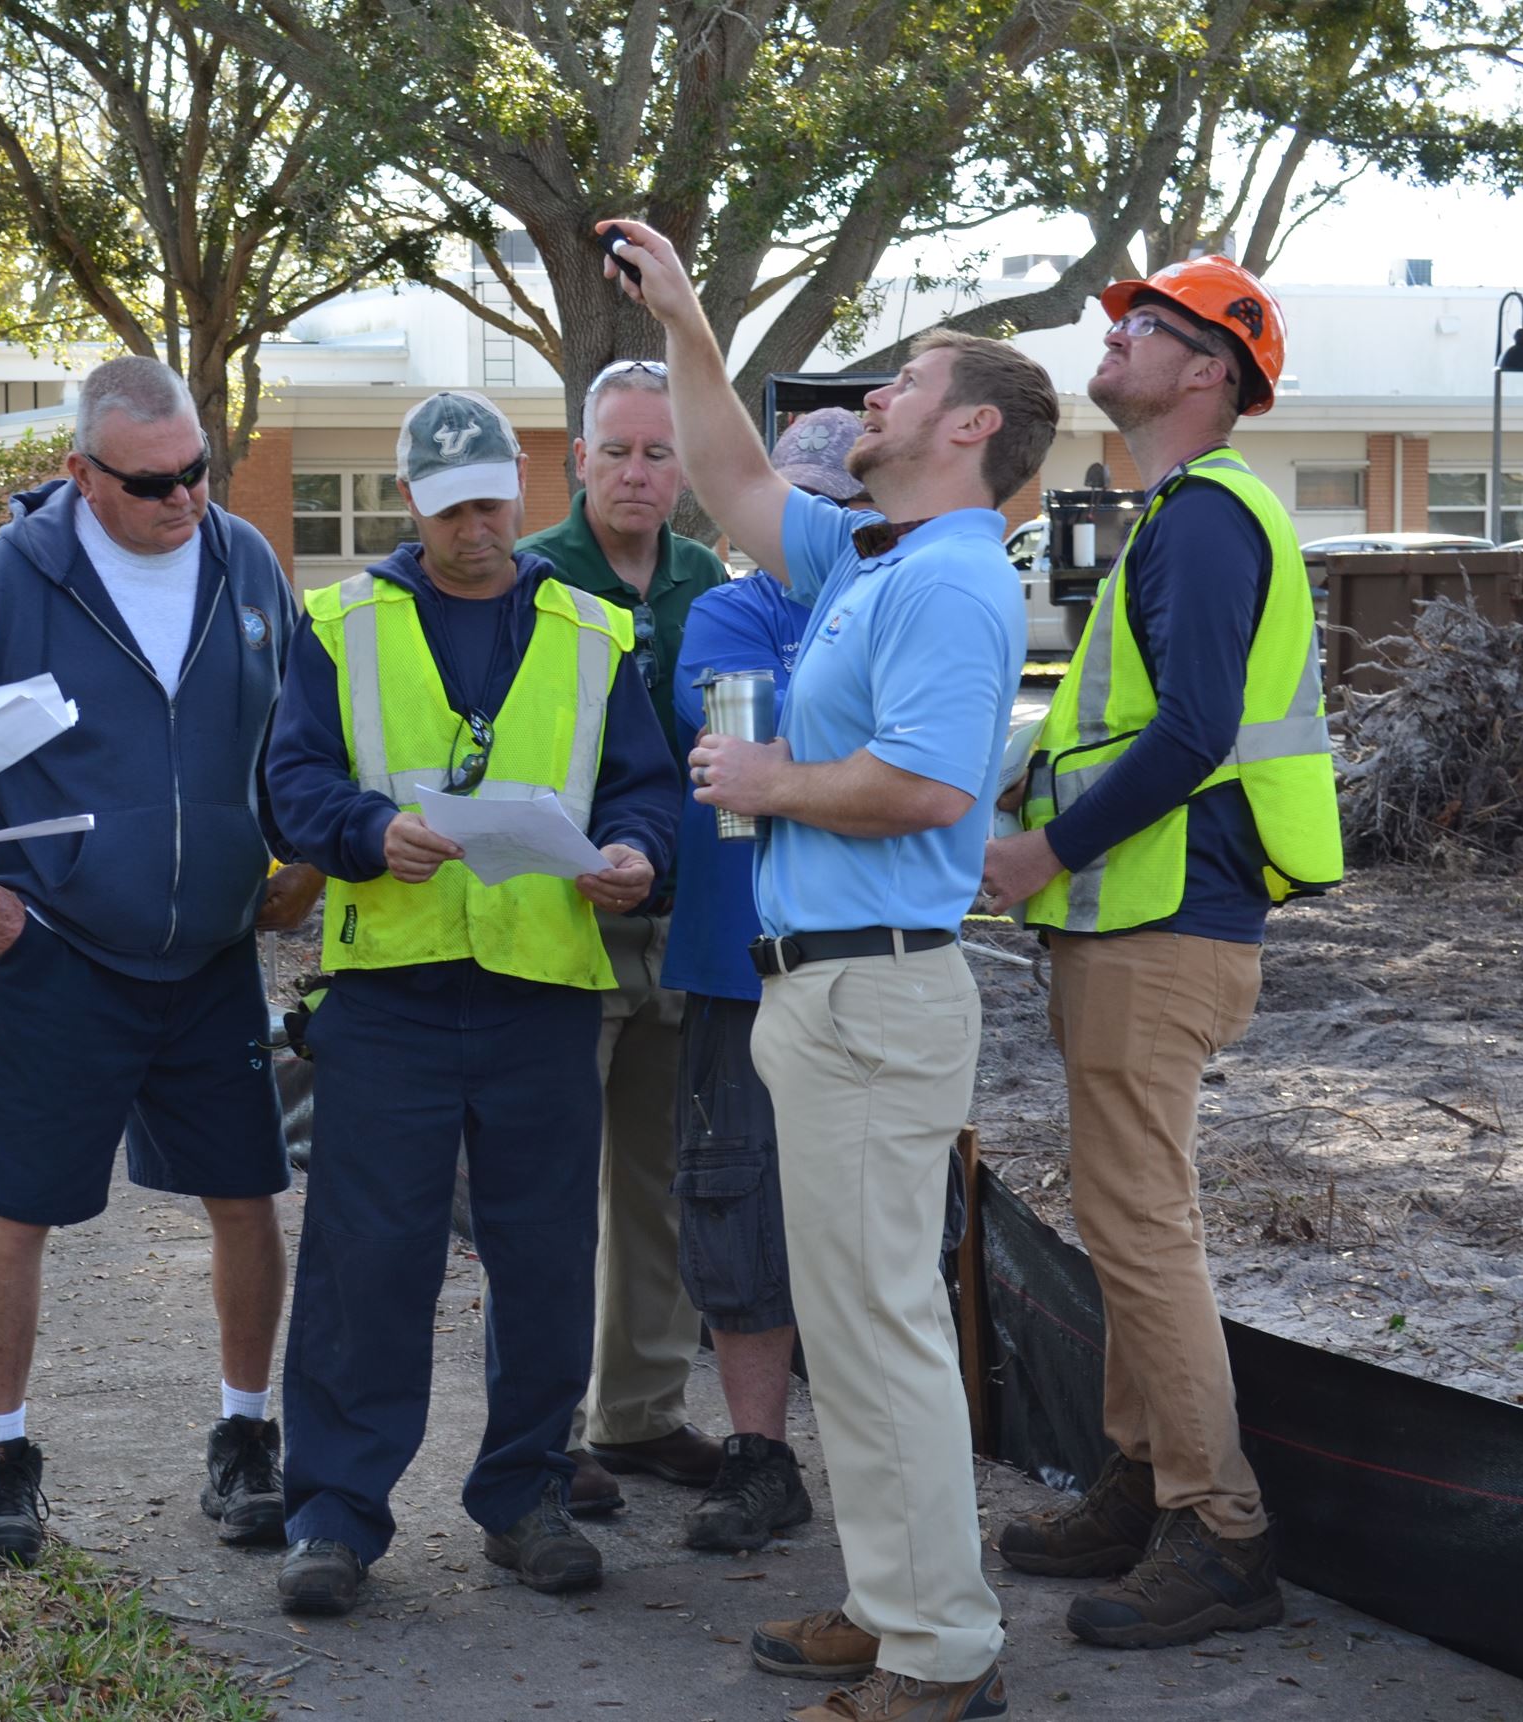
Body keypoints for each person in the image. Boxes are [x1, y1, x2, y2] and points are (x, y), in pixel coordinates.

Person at [607, 216, 1053, 1722]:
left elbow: (931, 790)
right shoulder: (874, 550)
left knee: (876, 1329)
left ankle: (939, 1656)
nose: (876, 395)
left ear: (971, 425)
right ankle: (894, 1599)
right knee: (856, 1325)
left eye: (906, 381)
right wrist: (686, 323)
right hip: (831, 989)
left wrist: (769, 776)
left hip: (873, 987)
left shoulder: (948, 585)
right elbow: (735, 479)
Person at [264, 389, 679, 1617]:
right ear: (410, 503)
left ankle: (525, 1497)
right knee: (364, 1262)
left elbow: (643, 789)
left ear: (524, 489)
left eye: (492, 501)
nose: (474, 528)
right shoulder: (341, 624)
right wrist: (358, 831)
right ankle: (333, 1517)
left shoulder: (596, 633)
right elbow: (287, 781)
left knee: (545, 1257)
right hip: (387, 995)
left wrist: (638, 856)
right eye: (448, 509)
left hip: (540, 997)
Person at [0, 355, 323, 1570]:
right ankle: (1, 1456)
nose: (183, 500)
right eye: (151, 485)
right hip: (61, 957)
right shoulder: (12, 580)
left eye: (198, 472)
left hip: (208, 960)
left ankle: (246, 1436)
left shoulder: (244, 561)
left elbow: (294, 733)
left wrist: (298, 851)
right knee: (15, 1209)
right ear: (83, 476)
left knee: (248, 1196)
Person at [977, 257, 1342, 1649]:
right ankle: (1142, 1476)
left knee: (1141, 1222)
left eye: (1147, 328)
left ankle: (1220, 1527)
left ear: (1211, 372)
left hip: (1159, 919)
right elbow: (1138, 727)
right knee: (1132, 1215)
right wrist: (1037, 782)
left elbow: (1192, 736)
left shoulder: (1200, 521)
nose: (1113, 338)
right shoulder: (1179, 519)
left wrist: (1043, 853)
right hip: (1143, 916)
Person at [515, 357, 728, 1512]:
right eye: (617, 451)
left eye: (659, 452)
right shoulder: (528, 578)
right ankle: (536, 1437)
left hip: (679, 923)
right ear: (575, 459)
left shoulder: (706, 579)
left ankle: (639, 1414)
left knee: (660, 1179)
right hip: (564, 925)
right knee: (547, 1188)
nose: (637, 472)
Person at [660, 409, 863, 1553]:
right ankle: (757, 1455)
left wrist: (805, 764)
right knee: (732, 1201)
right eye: (793, 501)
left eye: (834, 504)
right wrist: (827, 766)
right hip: (736, 962)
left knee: (868, 1217)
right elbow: (736, 767)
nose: (809, 524)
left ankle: (870, 1452)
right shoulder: (725, 612)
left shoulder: (893, 598)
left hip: (860, 956)